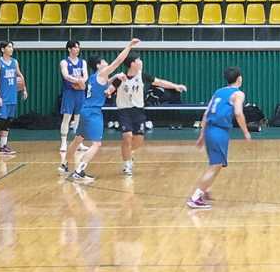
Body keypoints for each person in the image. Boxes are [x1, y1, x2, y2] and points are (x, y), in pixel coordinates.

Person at [60, 38, 140, 182]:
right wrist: (129, 45)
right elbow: (118, 61)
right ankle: (79, 171)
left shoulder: (93, 77)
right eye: (104, 62)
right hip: (93, 112)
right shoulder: (102, 73)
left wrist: (115, 76)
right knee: (97, 144)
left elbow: (104, 85)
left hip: (85, 110)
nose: (106, 63)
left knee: (78, 139)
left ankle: (64, 164)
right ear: (98, 65)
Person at [107, 54, 187, 176]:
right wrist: (108, 91)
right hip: (124, 111)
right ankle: (127, 164)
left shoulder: (142, 76)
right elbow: (110, 89)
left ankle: (128, 152)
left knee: (139, 139)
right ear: (132, 63)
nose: (141, 62)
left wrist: (176, 86)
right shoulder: (120, 78)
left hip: (138, 111)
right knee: (127, 136)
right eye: (138, 60)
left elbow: (160, 82)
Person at [187, 66, 250, 210]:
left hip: (210, 129)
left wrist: (202, 135)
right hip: (219, 131)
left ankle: (205, 190)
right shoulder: (238, 94)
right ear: (239, 78)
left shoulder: (218, 92)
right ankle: (195, 197)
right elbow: (239, 113)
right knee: (216, 165)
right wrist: (245, 131)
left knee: (215, 164)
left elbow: (206, 113)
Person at [0, 41, 28, 157]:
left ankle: (3, 146)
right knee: (1, 122)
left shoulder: (14, 62)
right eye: (9, 47)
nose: (12, 49)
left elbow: (20, 76)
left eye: (12, 47)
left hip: (12, 96)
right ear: (2, 49)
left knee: (8, 122)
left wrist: (24, 89)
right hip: (3, 97)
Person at [59, 40, 87, 153]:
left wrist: (81, 82)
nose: (77, 49)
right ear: (69, 49)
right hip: (69, 92)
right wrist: (78, 81)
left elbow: (85, 76)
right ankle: (63, 143)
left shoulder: (82, 62)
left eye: (78, 47)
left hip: (80, 93)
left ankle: (78, 143)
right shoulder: (64, 62)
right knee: (67, 117)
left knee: (78, 119)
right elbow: (66, 76)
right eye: (75, 47)